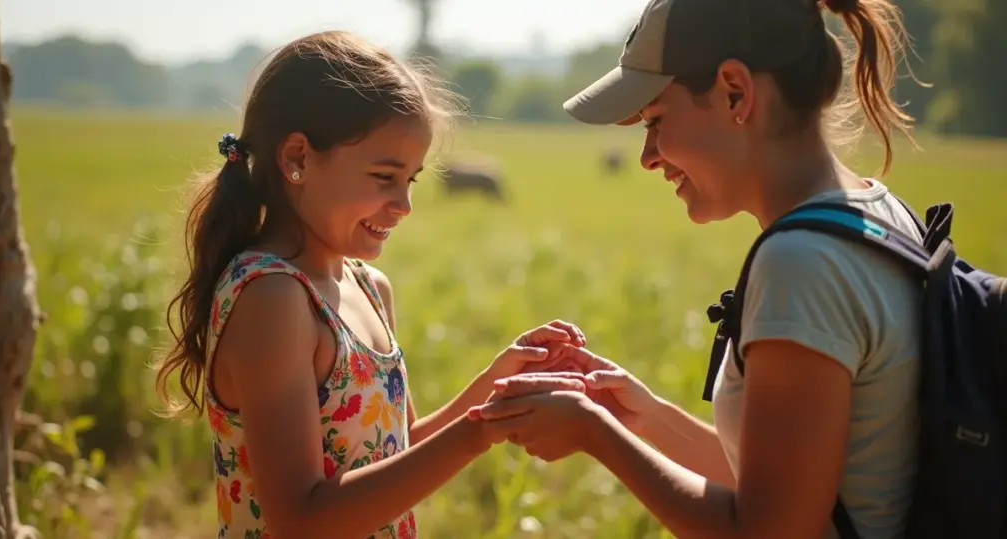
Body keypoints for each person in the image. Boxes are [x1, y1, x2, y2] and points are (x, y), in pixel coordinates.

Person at [469, 0, 926, 537]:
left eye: (656, 120)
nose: (646, 156)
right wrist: (644, 418)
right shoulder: (881, 215)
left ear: (735, 91)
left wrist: (595, 434)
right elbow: (790, 486)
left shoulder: (801, 262)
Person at [153, 31, 588, 539]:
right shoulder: (273, 298)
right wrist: (476, 433)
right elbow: (301, 518)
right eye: (385, 177)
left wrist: (495, 387)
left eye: (412, 180)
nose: (404, 204)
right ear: (297, 158)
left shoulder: (369, 286)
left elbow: (395, 452)